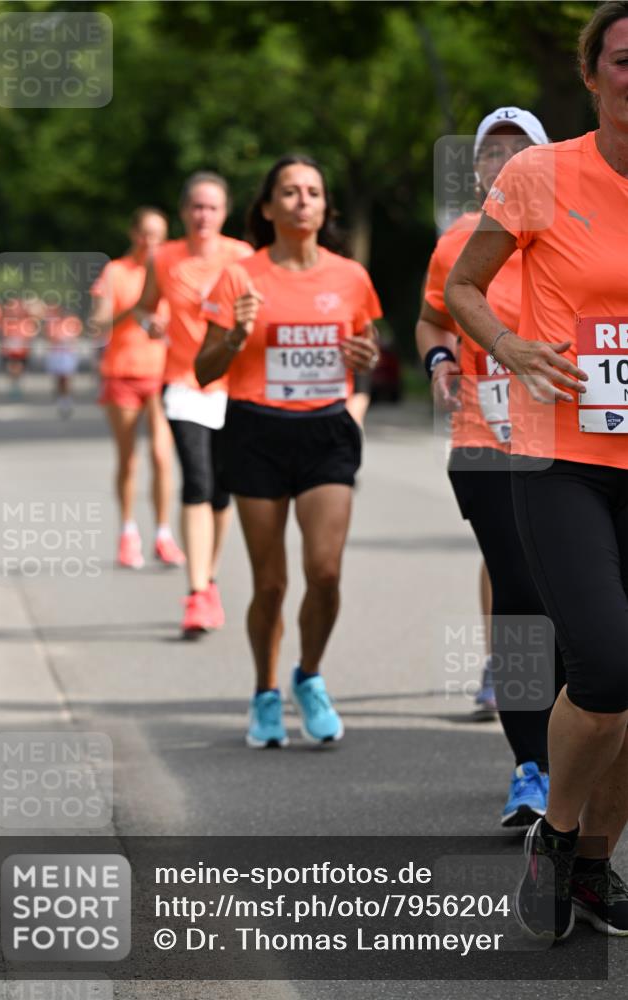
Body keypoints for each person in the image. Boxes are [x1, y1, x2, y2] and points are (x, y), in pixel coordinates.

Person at [446, 1, 628, 939]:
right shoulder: (539, 172)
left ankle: (595, 865)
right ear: (592, 75)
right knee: (605, 662)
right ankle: (557, 837)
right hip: (560, 455)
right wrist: (512, 348)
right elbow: (460, 287)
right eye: (624, 60)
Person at [196, 154, 381, 747]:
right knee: (270, 583)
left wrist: (366, 363)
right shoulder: (238, 276)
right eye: (290, 191)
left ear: (325, 207)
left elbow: (366, 352)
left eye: (313, 192)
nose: (303, 200)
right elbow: (203, 371)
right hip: (255, 430)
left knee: (324, 571)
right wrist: (235, 335)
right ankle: (265, 692)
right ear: (269, 207)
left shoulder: (350, 276)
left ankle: (310, 675)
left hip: (326, 430)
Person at [417, 106, 566, 828]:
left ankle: (576, 752)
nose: (503, 161)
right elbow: (431, 316)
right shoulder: (456, 242)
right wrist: (439, 357)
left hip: (575, 445)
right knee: (518, 600)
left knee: (577, 604)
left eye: (519, 149)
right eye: (491, 151)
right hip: (485, 442)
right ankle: (530, 767)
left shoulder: (580, 227)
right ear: (475, 168)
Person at [133, 173, 252, 637]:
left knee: (223, 491)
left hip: (231, 386)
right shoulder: (163, 257)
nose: (203, 215)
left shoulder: (242, 257)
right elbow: (145, 306)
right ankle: (196, 591)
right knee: (197, 481)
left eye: (213, 208)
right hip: (182, 383)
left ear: (224, 214)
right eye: (196, 207)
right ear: (183, 212)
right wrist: (151, 323)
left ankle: (211, 577)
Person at [90, 207, 185, 570]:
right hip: (123, 373)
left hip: (163, 374)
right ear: (133, 234)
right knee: (128, 459)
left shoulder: (171, 270)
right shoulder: (115, 272)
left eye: (158, 235)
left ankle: (163, 534)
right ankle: (128, 532)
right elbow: (97, 324)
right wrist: (132, 310)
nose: (151, 242)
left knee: (162, 456)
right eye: (145, 233)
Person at [43, 304, 83, 418]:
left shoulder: (72, 321)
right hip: (56, 353)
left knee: (67, 377)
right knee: (58, 377)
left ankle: (67, 399)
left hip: (68, 353)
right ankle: (61, 398)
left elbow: (76, 336)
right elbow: (49, 337)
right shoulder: (53, 322)